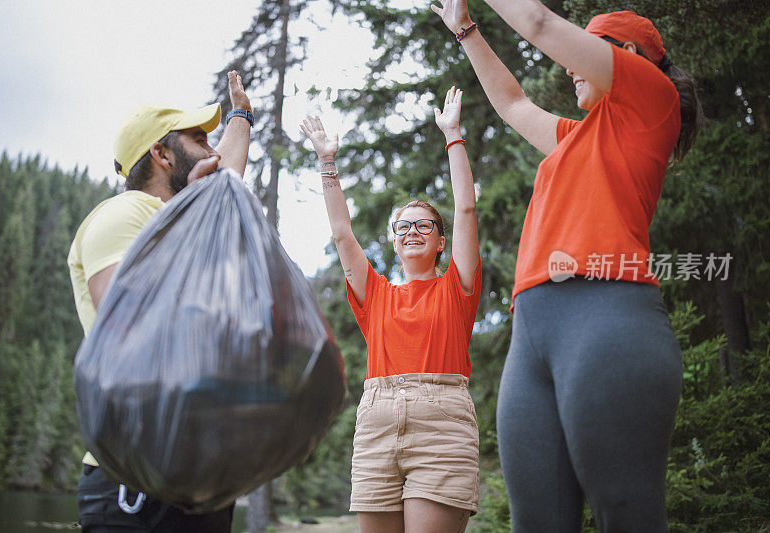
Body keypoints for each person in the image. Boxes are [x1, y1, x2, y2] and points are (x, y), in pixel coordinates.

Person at [431, 1, 702, 531]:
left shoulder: (653, 101)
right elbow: (511, 104)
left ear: (626, 58)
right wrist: (465, 29)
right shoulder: (573, 138)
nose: (568, 63)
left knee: (626, 515)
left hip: (608, 321)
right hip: (531, 337)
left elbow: (538, 22)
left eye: (587, 49)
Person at [67, 70, 253, 532]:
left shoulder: (186, 221)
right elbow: (130, 327)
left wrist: (241, 117)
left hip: (200, 476)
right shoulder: (125, 213)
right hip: (137, 474)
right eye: (197, 138)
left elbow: (227, 175)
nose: (211, 149)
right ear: (161, 154)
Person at [300, 86, 482, 533]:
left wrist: (453, 136)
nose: (413, 231)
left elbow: (466, 207)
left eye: (425, 225)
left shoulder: (457, 288)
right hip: (378, 420)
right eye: (404, 226)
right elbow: (343, 234)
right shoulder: (376, 294)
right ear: (395, 240)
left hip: (442, 424)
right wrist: (327, 162)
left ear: (441, 241)